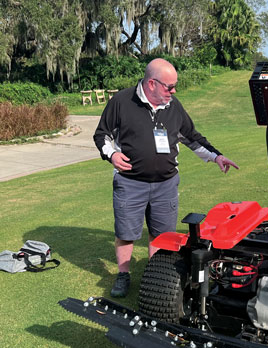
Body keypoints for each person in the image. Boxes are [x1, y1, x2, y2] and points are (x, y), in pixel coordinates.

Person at [93, 58, 238, 298]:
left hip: (166, 185)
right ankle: (123, 275)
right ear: (152, 84)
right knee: (126, 233)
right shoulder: (121, 101)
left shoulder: (173, 106)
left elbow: (192, 137)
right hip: (130, 183)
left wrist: (217, 157)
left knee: (162, 235)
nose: (174, 91)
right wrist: (112, 155)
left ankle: (154, 275)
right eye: (169, 87)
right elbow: (102, 135)